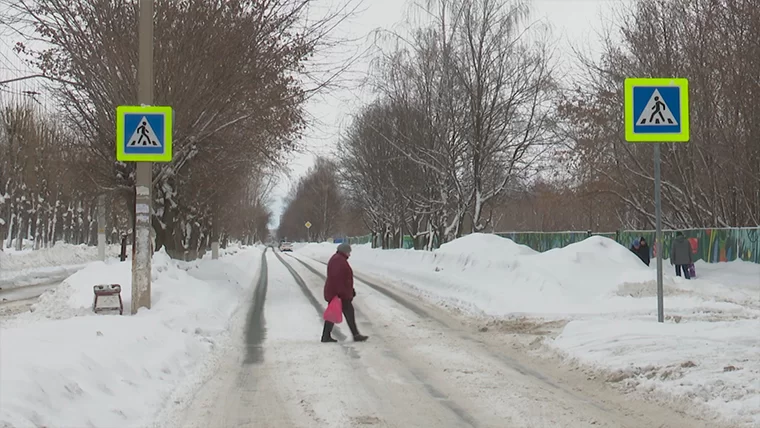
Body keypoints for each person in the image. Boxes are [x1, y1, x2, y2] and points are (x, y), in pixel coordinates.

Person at [321, 243, 369, 343]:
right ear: (344, 251)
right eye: (348, 252)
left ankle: (326, 336)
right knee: (344, 313)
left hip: (339, 293)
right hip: (339, 294)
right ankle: (355, 335)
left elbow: (343, 278)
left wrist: (350, 290)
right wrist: (341, 293)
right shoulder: (339, 261)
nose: (349, 254)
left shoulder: (338, 259)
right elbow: (337, 279)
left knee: (335, 313)